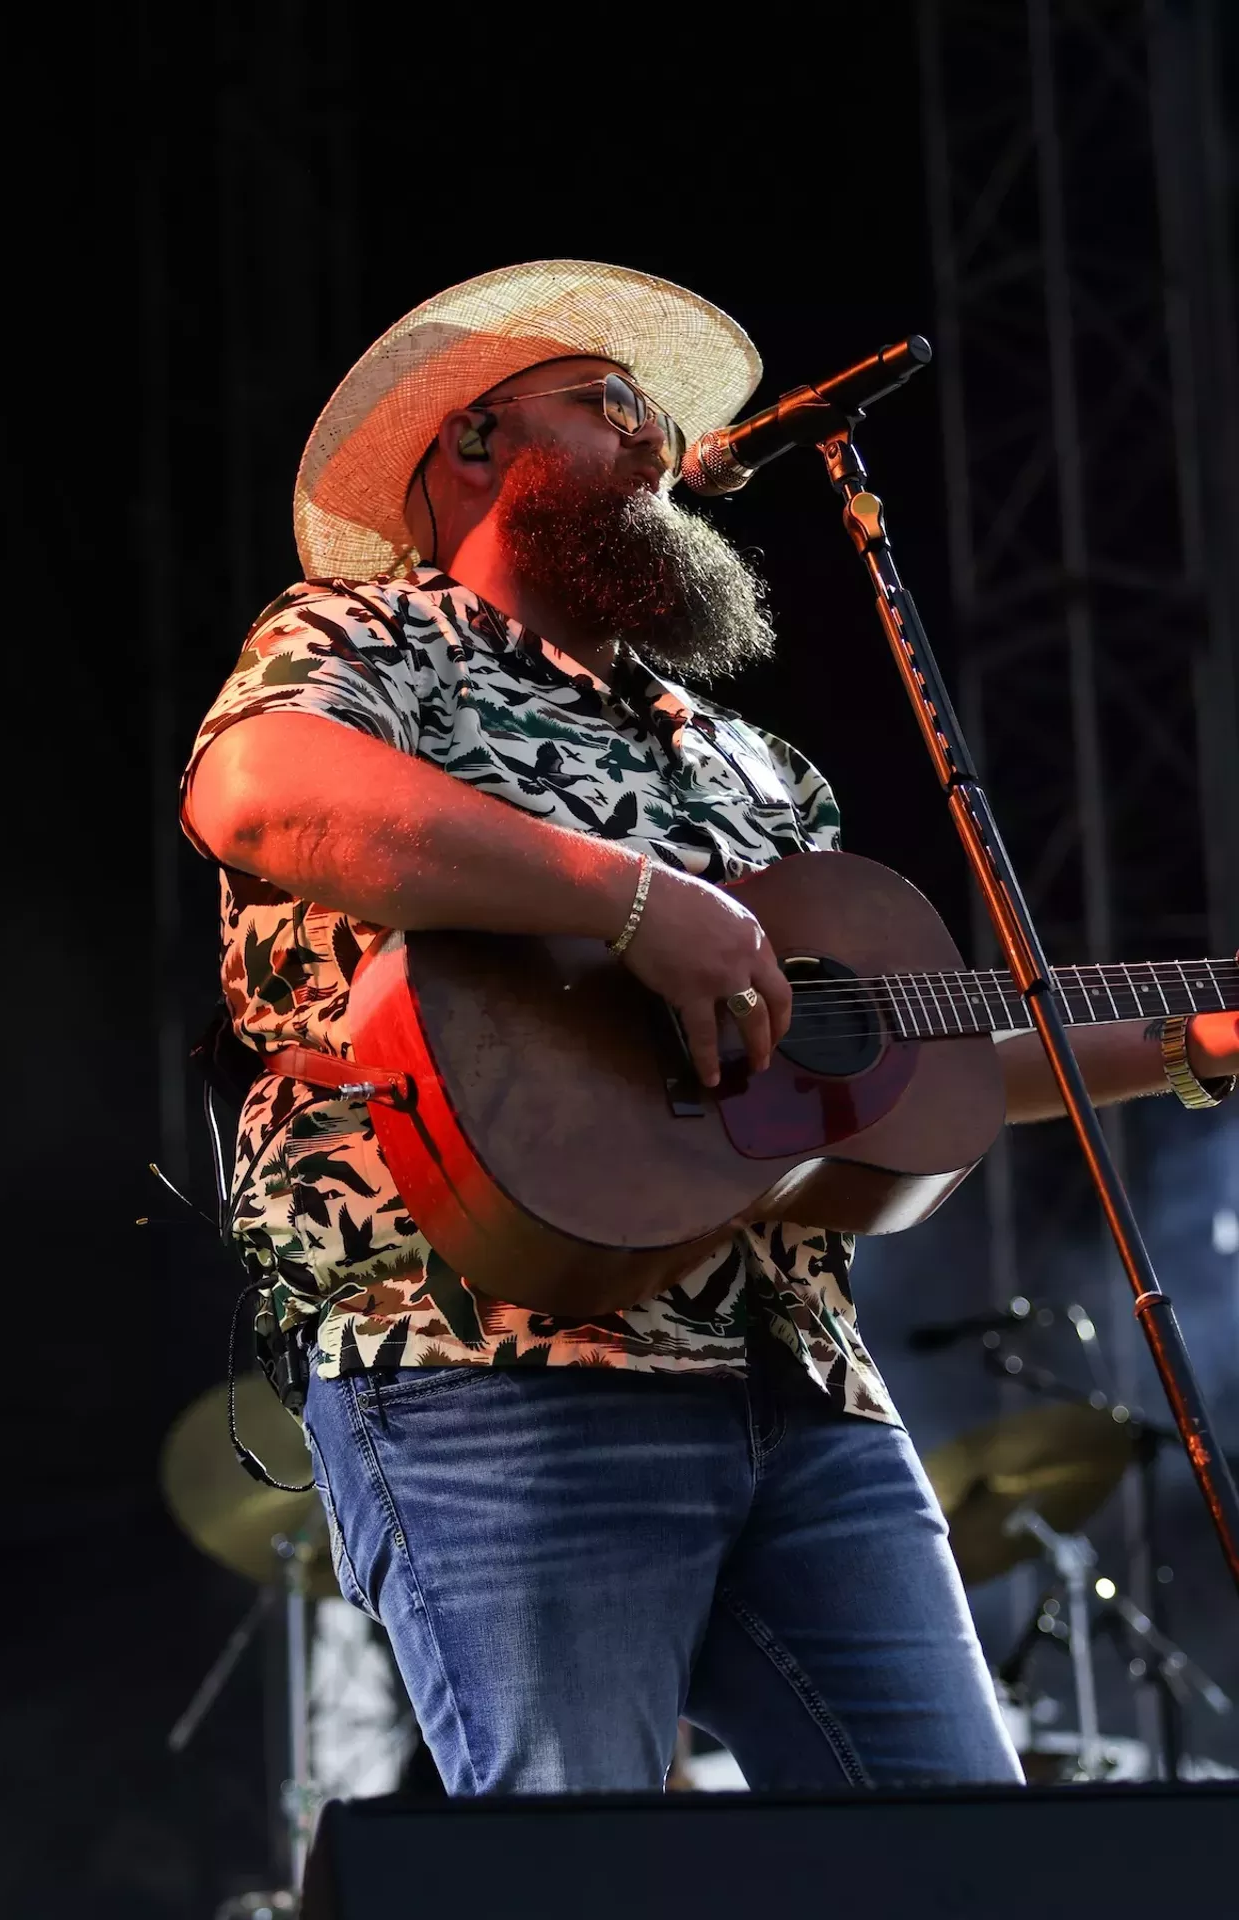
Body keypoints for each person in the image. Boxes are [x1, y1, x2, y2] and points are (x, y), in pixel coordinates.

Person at [182, 260, 1237, 1796]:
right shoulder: (373, 638)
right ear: (476, 445)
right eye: (608, 403)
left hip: (801, 1384)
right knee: (582, 1868)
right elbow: (260, 791)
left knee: (975, 1868)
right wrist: (631, 905)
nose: (657, 441)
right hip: (497, 1354)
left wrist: (1193, 1041)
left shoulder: (754, 771)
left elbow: (903, 1069)